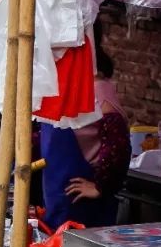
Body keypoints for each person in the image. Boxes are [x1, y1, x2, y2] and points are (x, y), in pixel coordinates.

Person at [40, 22, 130, 229]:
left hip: (84, 207)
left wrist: (100, 186)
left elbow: (119, 146)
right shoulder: (63, 89)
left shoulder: (99, 90)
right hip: (56, 198)